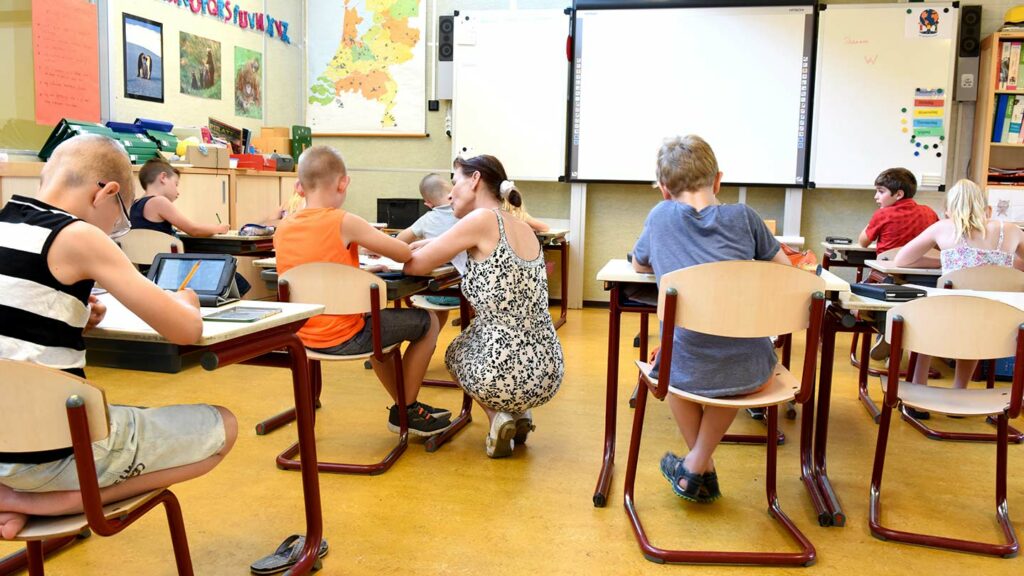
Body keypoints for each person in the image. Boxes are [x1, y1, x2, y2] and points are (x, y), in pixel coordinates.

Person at [0, 135, 236, 539]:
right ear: (107, 193)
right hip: (49, 456)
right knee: (224, 425)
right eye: (119, 218)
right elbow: (185, 330)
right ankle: (23, 501)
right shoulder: (78, 235)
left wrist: (73, 312)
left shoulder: (6, 221)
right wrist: (188, 300)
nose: (114, 229)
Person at [631, 135, 790, 503]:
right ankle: (698, 467)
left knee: (667, 363)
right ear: (718, 180)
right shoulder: (745, 217)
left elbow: (639, 263)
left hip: (680, 367)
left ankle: (697, 466)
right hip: (750, 368)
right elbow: (785, 271)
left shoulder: (659, 217)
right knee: (725, 358)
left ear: (664, 190)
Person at [273, 146, 451, 436]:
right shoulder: (344, 220)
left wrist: (356, 274)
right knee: (427, 322)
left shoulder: (283, 228)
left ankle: (405, 408)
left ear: (299, 186)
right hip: (344, 335)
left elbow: (310, 273)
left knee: (378, 326)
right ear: (344, 183)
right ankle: (406, 410)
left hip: (300, 337)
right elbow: (403, 253)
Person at [404, 154, 563, 458]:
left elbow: (416, 266)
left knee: (456, 351)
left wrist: (397, 248)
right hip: (548, 368)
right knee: (484, 338)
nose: (450, 193)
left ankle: (497, 418)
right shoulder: (519, 225)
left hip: (502, 372)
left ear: (475, 180)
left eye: (456, 181)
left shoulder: (480, 219)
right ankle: (519, 414)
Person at [894, 178, 1024, 417]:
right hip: (997, 323)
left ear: (948, 209)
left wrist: (945, 259)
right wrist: (1004, 267)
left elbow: (902, 260)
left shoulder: (943, 227)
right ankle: (959, 392)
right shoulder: (1012, 231)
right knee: (975, 323)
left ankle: (917, 393)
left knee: (924, 319)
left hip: (948, 319)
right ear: (987, 208)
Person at [857, 168, 939, 360]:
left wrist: (876, 217)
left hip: (887, 279)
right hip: (924, 282)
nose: (876, 196)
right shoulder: (929, 213)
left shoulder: (883, 214)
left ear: (898, 194)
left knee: (858, 299)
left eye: (881, 191)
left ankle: (887, 329)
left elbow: (863, 242)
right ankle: (905, 339)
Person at [130, 159, 230, 237]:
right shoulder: (159, 202)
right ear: (163, 178)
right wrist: (219, 228)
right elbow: (194, 230)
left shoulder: (135, 204)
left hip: (145, 263)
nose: (177, 191)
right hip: (164, 262)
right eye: (176, 184)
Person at [396, 173, 458, 244]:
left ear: (428, 203)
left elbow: (399, 240)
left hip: (433, 255)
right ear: (453, 192)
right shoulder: (463, 214)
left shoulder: (426, 219)